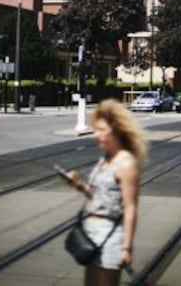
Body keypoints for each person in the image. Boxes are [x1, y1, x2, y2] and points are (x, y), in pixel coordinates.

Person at [66, 98, 147, 286]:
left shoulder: (126, 163)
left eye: (102, 130)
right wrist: (78, 184)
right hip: (91, 234)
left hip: (111, 237)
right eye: (96, 129)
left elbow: (130, 209)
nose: (96, 135)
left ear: (117, 130)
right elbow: (100, 198)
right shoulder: (106, 159)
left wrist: (126, 247)